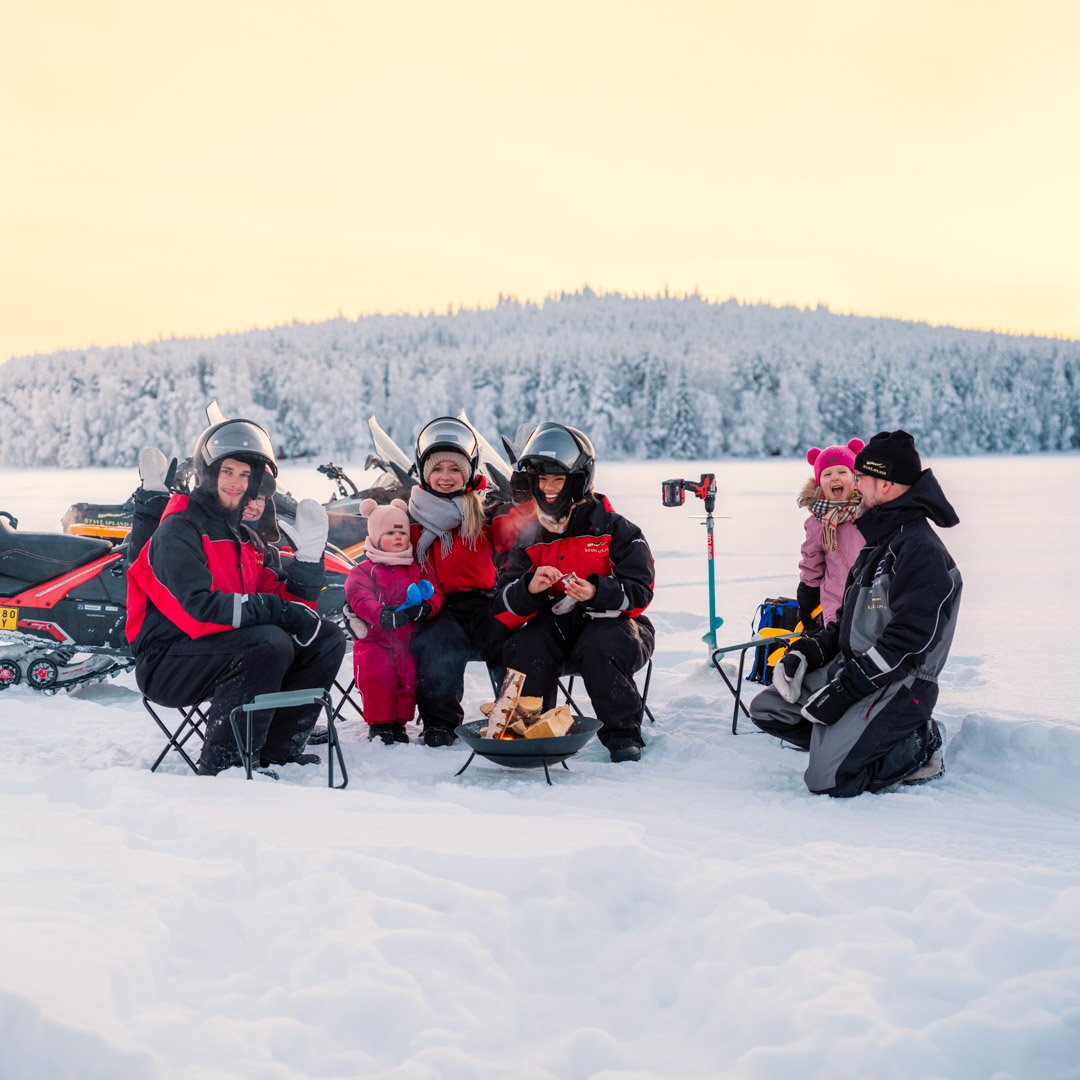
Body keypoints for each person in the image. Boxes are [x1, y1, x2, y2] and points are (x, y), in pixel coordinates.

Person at [126, 417, 346, 775]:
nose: (236, 482)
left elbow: (285, 605)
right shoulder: (179, 530)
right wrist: (277, 612)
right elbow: (197, 611)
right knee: (268, 642)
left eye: (245, 475)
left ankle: (279, 749)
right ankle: (225, 764)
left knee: (326, 639)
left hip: (222, 650)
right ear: (208, 473)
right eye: (227, 471)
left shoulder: (244, 538)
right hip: (167, 660)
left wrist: (307, 563)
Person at [750, 429, 961, 796]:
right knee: (769, 708)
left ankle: (918, 744)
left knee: (828, 780)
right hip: (854, 668)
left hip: (899, 684)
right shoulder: (878, 542)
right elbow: (846, 623)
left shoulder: (919, 550)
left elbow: (908, 646)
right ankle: (849, 739)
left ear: (886, 484)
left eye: (861, 476)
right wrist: (807, 651)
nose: (855, 484)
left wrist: (843, 692)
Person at [492, 422, 655, 763]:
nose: (548, 488)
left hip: (618, 628)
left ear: (579, 479)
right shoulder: (529, 537)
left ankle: (623, 734)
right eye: (542, 479)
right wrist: (530, 588)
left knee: (599, 644)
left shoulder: (616, 528)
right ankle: (526, 731)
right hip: (555, 627)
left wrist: (596, 591)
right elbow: (502, 601)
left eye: (558, 479)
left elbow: (640, 591)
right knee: (525, 645)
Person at [407, 417, 507, 747]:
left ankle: (513, 715)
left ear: (468, 472)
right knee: (436, 644)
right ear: (424, 473)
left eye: (455, 469)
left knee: (510, 639)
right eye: (437, 469)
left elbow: (514, 542)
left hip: (484, 602)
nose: (445, 476)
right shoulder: (414, 515)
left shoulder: (486, 509)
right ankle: (440, 722)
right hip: (438, 606)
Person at [344, 498, 443, 744]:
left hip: (408, 639)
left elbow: (434, 591)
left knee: (407, 681)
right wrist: (380, 613)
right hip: (375, 640)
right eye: (389, 533)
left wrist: (425, 608)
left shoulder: (416, 568)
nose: (398, 537)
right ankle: (380, 724)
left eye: (402, 532)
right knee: (378, 679)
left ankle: (399, 723)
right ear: (376, 537)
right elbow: (358, 596)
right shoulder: (364, 570)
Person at [796, 438, 865, 628]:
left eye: (842, 472)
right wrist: (808, 592)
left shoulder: (868, 512)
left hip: (872, 597)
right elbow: (812, 561)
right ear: (820, 485)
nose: (835, 478)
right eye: (827, 474)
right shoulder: (817, 523)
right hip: (836, 601)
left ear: (856, 479)